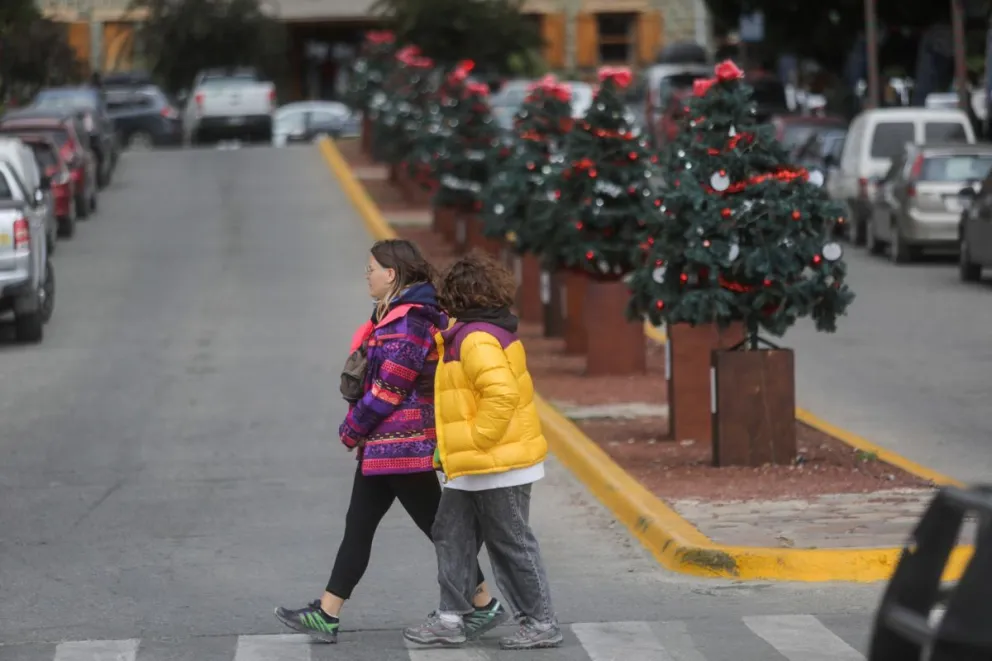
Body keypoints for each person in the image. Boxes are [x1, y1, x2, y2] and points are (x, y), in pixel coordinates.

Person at [275, 240, 505, 644]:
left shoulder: (408, 321)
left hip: (405, 445)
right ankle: (328, 612)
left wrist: (353, 427)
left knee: (437, 528)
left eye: (371, 269)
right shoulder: (391, 316)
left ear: (392, 274)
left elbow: (389, 387)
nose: (366, 276)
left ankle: (484, 604)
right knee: (362, 525)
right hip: (385, 446)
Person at [403, 253, 562, 650]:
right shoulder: (480, 333)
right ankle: (451, 617)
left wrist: (477, 440)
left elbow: (501, 395)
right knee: (450, 532)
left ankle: (541, 621)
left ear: (459, 295)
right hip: (475, 465)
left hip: (496, 463)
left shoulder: (476, 339)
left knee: (510, 542)